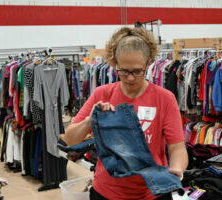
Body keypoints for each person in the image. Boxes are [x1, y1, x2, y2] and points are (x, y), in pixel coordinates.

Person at [61, 27, 188, 200]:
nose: (130, 78)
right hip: (107, 193)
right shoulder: (102, 94)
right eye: (123, 71)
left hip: (153, 192)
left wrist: (177, 169)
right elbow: (69, 139)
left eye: (137, 71)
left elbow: (177, 147)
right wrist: (89, 121)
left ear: (148, 63)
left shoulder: (165, 98)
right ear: (114, 63)